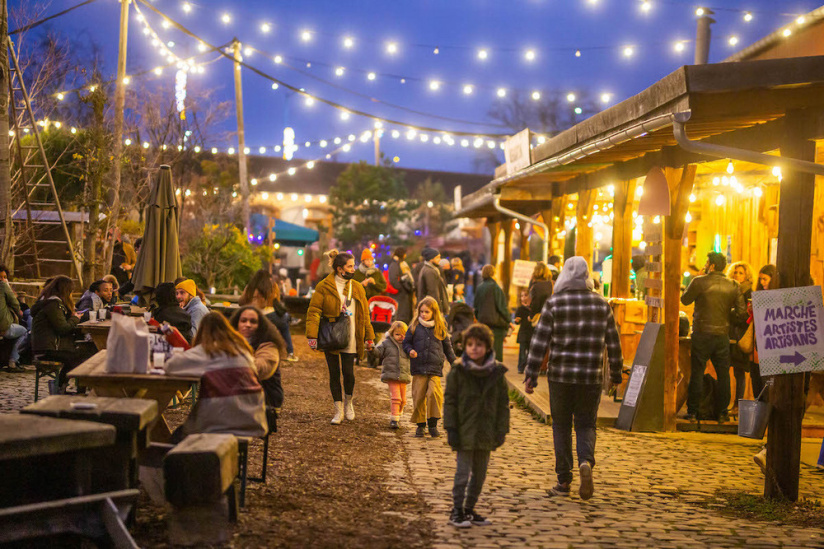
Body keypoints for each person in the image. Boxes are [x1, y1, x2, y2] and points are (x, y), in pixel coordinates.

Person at [524, 256, 623, 500]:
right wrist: (617, 374)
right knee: (586, 424)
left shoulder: (555, 303)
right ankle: (586, 462)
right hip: (590, 377)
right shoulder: (601, 305)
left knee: (561, 426)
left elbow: (539, 342)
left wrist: (531, 375)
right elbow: (614, 341)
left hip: (561, 376)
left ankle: (564, 480)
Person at [444, 323, 509, 528]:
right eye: (470, 344)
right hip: (464, 431)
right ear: (464, 346)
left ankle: (469, 509)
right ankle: (456, 510)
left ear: (488, 347)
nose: (474, 348)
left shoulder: (496, 373)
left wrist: (501, 431)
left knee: (480, 475)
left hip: (486, 431)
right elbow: (450, 402)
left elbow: (503, 405)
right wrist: (451, 429)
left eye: (479, 345)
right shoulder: (458, 371)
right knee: (462, 473)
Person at [166, 312, 267, 440]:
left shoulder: (206, 350)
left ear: (203, 332)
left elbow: (171, 367)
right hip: (252, 416)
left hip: (220, 420)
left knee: (176, 437)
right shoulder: (242, 349)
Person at [306, 250, 375, 425]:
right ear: (339, 269)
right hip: (330, 334)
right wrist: (312, 336)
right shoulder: (324, 286)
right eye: (350, 266)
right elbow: (314, 311)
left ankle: (349, 403)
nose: (353, 269)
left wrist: (369, 337)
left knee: (349, 373)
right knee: (334, 373)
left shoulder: (357, 287)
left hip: (351, 335)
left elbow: (365, 315)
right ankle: (338, 409)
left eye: (353, 265)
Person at [681, 252, 747, 423]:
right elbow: (741, 314)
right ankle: (722, 413)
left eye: (706, 262)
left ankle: (693, 412)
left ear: (710, 265)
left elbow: (685, 300)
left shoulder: (699, 282)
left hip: (702, 333)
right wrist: (726, 315)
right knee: (723, 374)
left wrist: (698, 277)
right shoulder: (733, 285)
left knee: (697, 372)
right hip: (722, 335)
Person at [30, 276, 96, 391]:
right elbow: (62, 328)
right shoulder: (53, 304)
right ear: (66, 291)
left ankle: (65, 387)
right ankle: (60, 387)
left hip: (51, 346)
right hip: (47, 349)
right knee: (79, 358)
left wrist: (72, 317)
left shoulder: (52, 303)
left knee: (89, 351)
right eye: (70, 292)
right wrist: (75, 319)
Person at [403, 296, 456, 438]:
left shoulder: (440, 328)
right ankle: (420, 425)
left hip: (434, 368)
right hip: (419, 367)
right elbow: (406, 343)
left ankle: (432, 424)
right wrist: (410, 351)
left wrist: (454, 363)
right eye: (421, 311)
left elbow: (448, 348)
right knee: (419, 396)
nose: (423, 314)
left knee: (434, 394)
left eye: (427, 312)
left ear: (434, 312)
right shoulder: (414, 327)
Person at [230, 306, 287, 427]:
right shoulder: (232, 341)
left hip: (265, 398)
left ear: (260, 325)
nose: (248, 324)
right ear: (237, 323)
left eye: (253, 321)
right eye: (243, 320)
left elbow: (261, 368)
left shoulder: (268, 344)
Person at [239, 269, 298, 362]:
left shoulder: (249, 287)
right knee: (284, 324)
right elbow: (277, 301)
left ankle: (249, 352)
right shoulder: (273, 286)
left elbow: (241, 302)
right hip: (271, 315)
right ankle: (290, 353)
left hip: (254, 315)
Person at [727, 261, 755, 412]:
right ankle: (730, 403)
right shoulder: (729, 289)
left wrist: (731, 314)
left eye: (741, 273)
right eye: (735, 272)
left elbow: (744, 316)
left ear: (747, 276)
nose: (737, 275)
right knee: (728, 368)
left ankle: (738, 404)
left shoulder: (748, 292)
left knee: (739, 371)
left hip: (741, 334)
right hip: (730, 333)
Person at [374, 320, 411, 429]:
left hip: (403, 375)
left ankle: (398, 414)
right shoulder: (386, 343)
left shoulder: (407, 345)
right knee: (396, 398)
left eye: (403, 335)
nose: (401, 337)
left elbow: (413, 355)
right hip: (391, 374)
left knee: (403, 400)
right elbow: (378, 353)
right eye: (398, 334)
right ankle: (394, 419)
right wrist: (371, 349)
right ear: (392, 334)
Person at [473, 264, 510, 361]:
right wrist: (509, 320)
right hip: (496, 325)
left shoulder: (479, 287)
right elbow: (502, 307)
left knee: (484, 350)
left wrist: (479, 318)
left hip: (483, 323)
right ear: (493, 274)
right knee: (496, 352)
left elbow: (476, 307)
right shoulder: (496, 288)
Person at [0, 265, 26, 371]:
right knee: (24, 331)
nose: (3, 279)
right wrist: (20, 313)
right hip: (2, 326)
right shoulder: (3, 286)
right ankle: (13, 361)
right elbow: (15, 303)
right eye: (0, 277)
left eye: (4, 277)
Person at [417, 247, 450, 317]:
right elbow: (433, 292)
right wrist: (438, 309)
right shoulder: (430, 271)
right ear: (431, 259)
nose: (440, 260)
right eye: (437, 257)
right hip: (431, 308)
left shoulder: (431, 269)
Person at [387, 247, 414, 324]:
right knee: (401, 318)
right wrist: (401, 288)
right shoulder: (395, 264)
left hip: (403, 295)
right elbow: (393, 280)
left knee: (404, 317)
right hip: (400, 296)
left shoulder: (399, 263)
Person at [513, 289, 533, 375]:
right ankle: (520, 368)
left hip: (531, 332)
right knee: (522, 352)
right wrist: (517, 320)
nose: (523, 297)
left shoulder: (533, 308)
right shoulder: (520, 308)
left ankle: (527, 366)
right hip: (523, 333)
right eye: (522, 296)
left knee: (530, 352)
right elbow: (517, 320)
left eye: (525, 295)